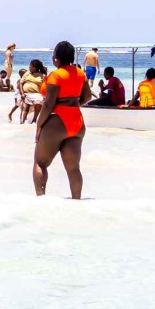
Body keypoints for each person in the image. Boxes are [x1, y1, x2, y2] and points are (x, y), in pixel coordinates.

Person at [34, 41, 91, 199]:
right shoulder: (80, 74)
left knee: (40, 163)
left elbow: (48, 104)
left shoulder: (56, 75)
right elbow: (87, 96)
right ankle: (77, 201)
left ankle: (40, 202)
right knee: (73, 169)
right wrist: (73, 106)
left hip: (58, 120)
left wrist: (39, 125)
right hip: (77, 121)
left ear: (56, 58)